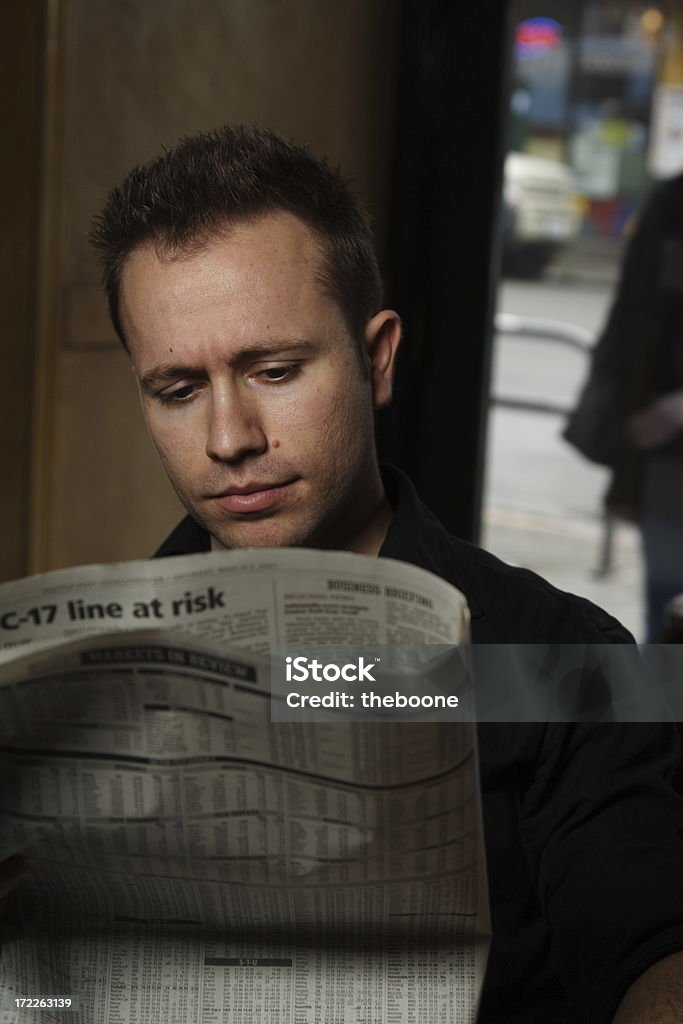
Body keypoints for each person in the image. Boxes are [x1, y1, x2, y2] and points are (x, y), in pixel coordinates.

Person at [3, 125, 683, 1022]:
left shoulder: (562, 656)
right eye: (177, 391)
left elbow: (646, 937)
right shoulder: (76, 671)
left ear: (377, 358)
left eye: (274, 371)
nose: (228, 439)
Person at [566, 173, 683, 641]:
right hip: (665, 444)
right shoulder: (672, 202)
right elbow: (637, 322)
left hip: (665, 429)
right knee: (668, 597)